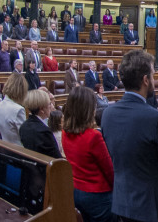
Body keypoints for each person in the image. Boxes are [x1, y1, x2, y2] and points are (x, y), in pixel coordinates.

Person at [101, 50, 158, 222]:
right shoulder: (156, 118)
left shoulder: (108, 113)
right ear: (145, 80)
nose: (153, 81)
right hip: (153, 209)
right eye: (152, 76)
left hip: (122, 204)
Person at [62, 86, 115, 222]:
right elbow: (109, 171)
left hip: (76, 190)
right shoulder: (93, 136)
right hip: (98, 196)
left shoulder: (65, 132)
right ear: (87, 109)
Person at [20, 89, 62, 158]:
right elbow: (57, 159)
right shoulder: (44, 132)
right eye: (49, 104)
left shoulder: (24, 126)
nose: (52, 106)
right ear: (42, 109)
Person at [0, 72, 28, 145]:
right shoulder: (18, 110)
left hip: (5, 148)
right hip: (18, 152)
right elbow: (24, 136)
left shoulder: (0, 104)